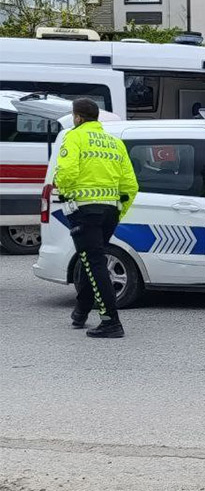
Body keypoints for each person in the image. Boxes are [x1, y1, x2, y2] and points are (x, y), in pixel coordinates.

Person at [55, 99, 139, 339]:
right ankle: (81, 312)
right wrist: (118, 211)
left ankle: (110, 321)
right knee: (89, 259)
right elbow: (130, 185)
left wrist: (65, 191)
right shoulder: (114, 143)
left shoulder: (74, 136)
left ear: (78, 117)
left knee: (94, 262)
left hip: (84, 210)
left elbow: (67, 172)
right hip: (109, 211)